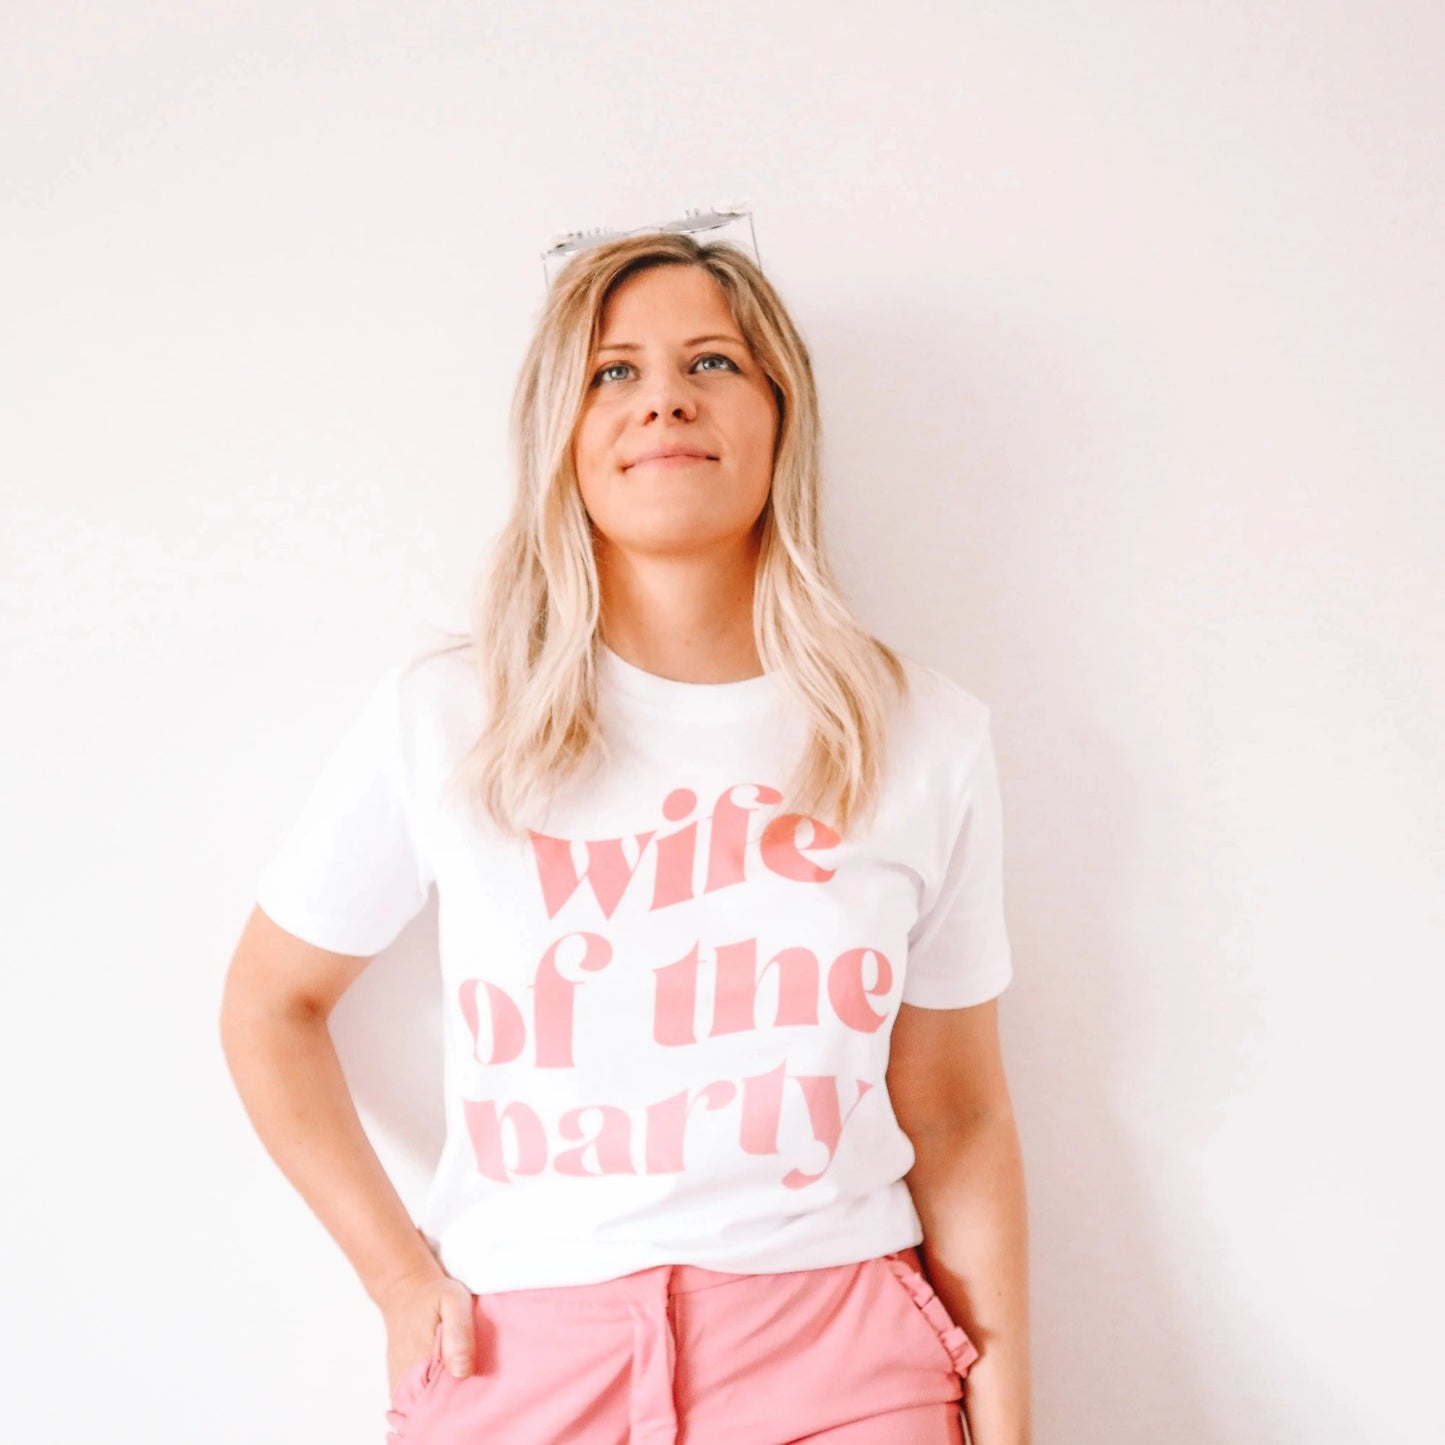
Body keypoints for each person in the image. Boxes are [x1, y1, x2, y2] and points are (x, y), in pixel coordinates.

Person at [219, 231, 1031, 1445]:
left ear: (780, 414)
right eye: (612, 371)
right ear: (561, 432)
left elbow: (956, 1113)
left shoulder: (921, 733)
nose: (664, 397)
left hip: (837, 1354)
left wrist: (1007, 1424)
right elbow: (269, 1003)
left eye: (711, 361)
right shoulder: (449, 716)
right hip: (521, 1354)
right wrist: (395, 1277)